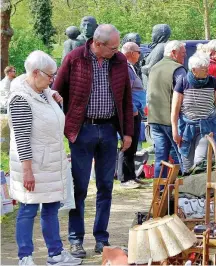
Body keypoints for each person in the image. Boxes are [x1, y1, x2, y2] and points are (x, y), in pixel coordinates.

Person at [53, 24, 133, 258]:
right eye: (113, 47)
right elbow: (56, 93)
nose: (117, 51)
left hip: (109, 130)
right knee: (79, 187)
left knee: (106, 186)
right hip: (82, 130)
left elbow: (127, 98)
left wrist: (127, 132)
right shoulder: (74, 58)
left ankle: (102, 238)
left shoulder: (118, 61)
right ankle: (76, 240)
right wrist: (64, 128)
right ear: (97, 44)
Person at [8, 51, 81, 266]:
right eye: (50, 75)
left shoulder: (44, 92)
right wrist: (27, 171)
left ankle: (55, 253)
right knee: (28, 209)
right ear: (36, 72)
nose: (53, 79)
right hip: (32, 164)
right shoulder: (20, 99)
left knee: (50, 209)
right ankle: (25, 257)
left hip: (50, 163)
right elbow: (21, 139)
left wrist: (55, 100)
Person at [171, 52, 216, 172]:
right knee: (187, 165)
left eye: (207, 68)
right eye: (204, 69)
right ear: (194, 70)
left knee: (200, 163)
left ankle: (200, 186)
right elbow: (175, 109)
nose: (207, 71)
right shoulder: (183, 82)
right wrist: (175, 131)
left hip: (207, 127)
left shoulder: (212, 81)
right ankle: (188, 189)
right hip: (186, 129)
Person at [147, 40, 186, 177]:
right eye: (182, 54)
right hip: (172, 121)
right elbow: (184, 93)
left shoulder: (154, 67)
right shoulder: (178, 70)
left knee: (160, 159)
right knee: (182, 157)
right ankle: (185, 191)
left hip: (154, 119)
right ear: (173, 53)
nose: (184, 57)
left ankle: (160, 192)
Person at [120, 42, 146, 189]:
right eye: (137, 51)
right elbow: (125, 91)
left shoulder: (130, 67)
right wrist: (132, 108)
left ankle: (132, 175)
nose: (139, 54)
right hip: (130, 112)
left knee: (134, 144)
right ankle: (124, 178)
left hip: (136, 111)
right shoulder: (125, 67)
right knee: (127, 144)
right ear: (130, 52)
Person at [141, 24, 172, 89]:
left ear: (160, 34)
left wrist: (139, 67)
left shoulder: (161, 47)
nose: (151, 35)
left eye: (153, 32)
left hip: (154, 88)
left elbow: (151, 69)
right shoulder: (164, 45)